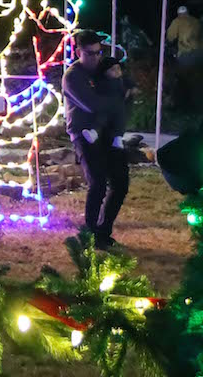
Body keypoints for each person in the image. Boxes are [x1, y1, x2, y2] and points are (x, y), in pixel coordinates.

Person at [62, 30, 130, 247]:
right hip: (84, 134)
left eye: (98, 52)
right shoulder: (73, 76)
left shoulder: (102, 69)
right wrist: (119, 100)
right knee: (98, 182)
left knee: (120, 182)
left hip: (108, 134)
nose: (95, 57)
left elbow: (119, 84)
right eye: (89, 53)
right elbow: (92, 104)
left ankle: (103, 232)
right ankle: (90, 233)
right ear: (78, 52)